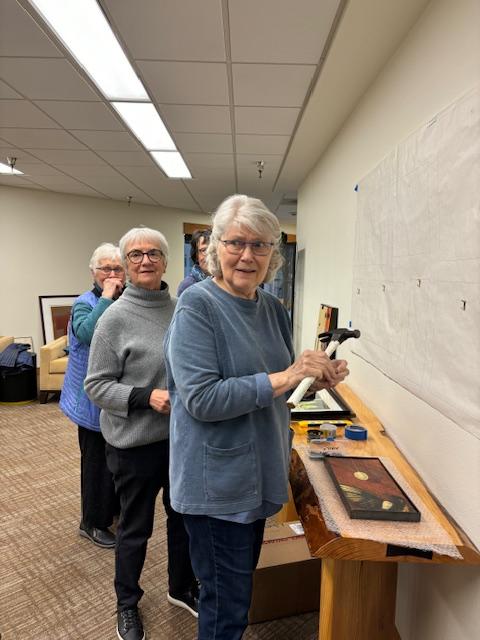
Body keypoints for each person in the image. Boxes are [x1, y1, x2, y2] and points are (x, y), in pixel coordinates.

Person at [164, 194, 349, 640]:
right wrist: (287, 376)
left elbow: (274, 391)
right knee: (226, 607)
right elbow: (202, 399)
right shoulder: (197, 307)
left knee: (237, 591)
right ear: (214, 249)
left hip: (256, 475)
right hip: (217, 486)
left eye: (261, 245)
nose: (248, 255)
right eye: (236, 243)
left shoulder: (271, 308)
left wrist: (313, 382)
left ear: (274, 255)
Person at [84, 227, 197, 640]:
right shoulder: (113, 318)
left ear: (167, 262)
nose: (145, 260)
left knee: (183, 518)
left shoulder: (183, 309)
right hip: (133, 446)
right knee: (135, 528)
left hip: (180, 441)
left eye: (153, 253)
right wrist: (146, 397)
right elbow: (95, 386)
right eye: (135, 255)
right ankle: (127, 604)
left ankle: (181, 587)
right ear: (125, 265)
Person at [60, 242, 125, 549]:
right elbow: (87, 332)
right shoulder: (85, 302)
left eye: (117, 268)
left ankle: (111, 511)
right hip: (89, 400)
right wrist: (109, 297)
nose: (112, 274)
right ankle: (91, 523)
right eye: (105, 268)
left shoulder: (127, 299)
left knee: (116, 460)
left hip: (115, 397)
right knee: (96, 463)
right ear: (93, 273)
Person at [177, 228, 211, 295]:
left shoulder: (225, 283)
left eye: (213, 249)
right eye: (204, 250)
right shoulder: (188, 285)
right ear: (196, 256)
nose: (209, 255)